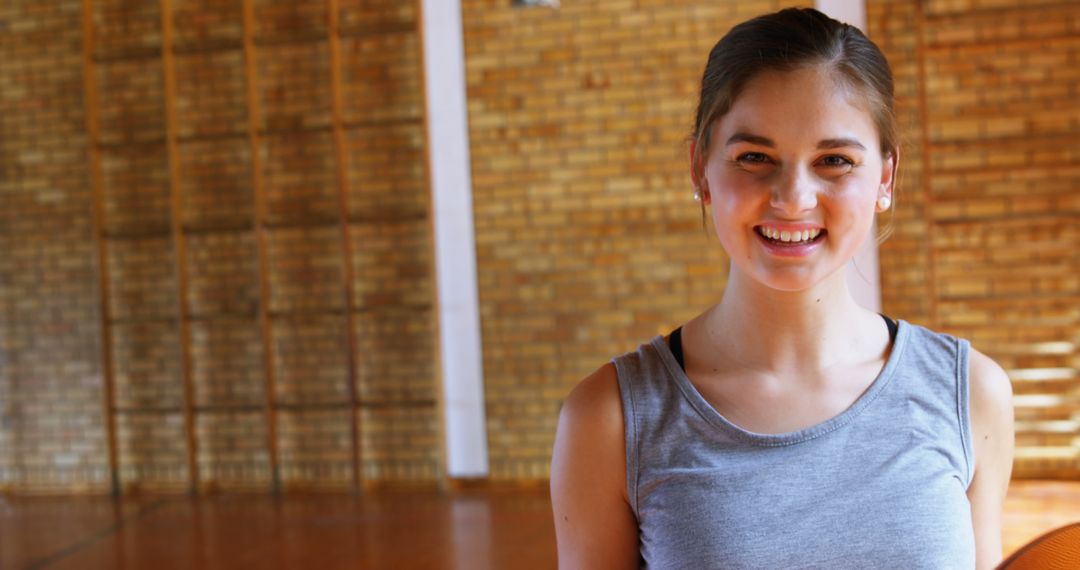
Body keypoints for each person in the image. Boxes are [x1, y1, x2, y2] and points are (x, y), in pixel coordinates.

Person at [550, 7, 1014, 569]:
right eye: (754, 157)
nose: (792, 197)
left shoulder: (969, 394)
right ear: (700, 167)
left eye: (835, 161)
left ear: (885, 178)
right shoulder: (610, 418)